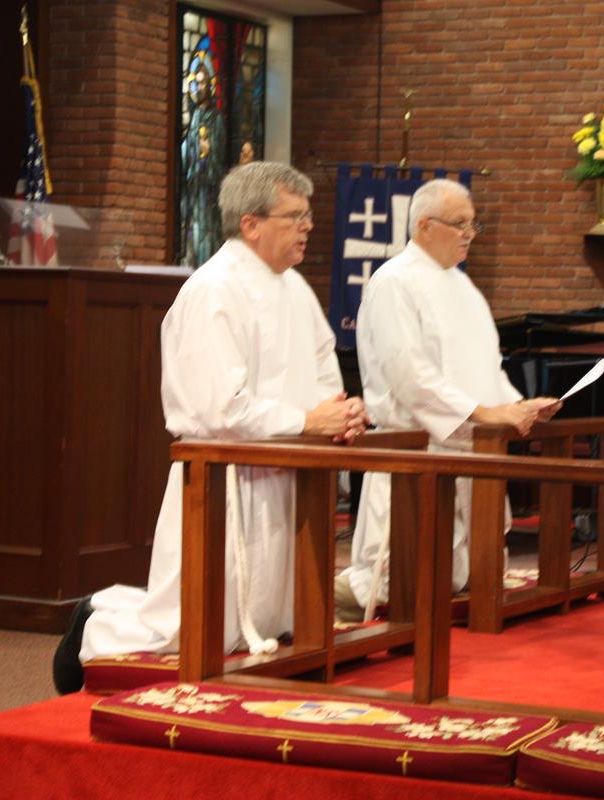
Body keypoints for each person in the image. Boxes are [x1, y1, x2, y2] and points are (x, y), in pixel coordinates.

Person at [53, 162, 368, 693]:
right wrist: (307, 419)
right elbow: (216, 407)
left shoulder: (294, 289)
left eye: (308, 216)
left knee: (268, 621)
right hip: (224, 479)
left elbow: (322, 369)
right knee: (186, 628)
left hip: (289, 467)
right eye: (295, 216)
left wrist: (336, 412)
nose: (308, 226)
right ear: (250, 224)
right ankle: (94, 619)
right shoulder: (213, 290)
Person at [334, 178, 560, 622]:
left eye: (474, 225)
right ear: (424, 225)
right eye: (459, 224)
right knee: (393, 584)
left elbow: (486, 367)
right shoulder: (393, 281)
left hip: (471, 447)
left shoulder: (465, 289)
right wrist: (482, 413)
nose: (469, 235)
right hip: (417, 447)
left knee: (459, 578)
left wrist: (518, 405)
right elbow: (408, 374)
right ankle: (342, 601)